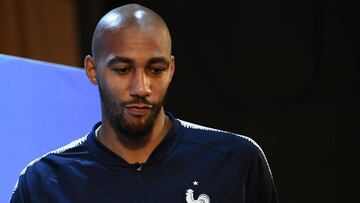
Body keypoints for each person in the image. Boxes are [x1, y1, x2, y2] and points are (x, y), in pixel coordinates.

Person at [10, 3, 278, 203]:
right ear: (93, 70)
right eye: (123, 69)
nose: (141, 88)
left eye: (155, 69)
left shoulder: (235, 160)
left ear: (171, 70)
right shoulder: (43, 183)